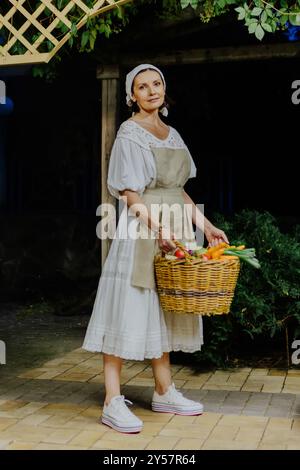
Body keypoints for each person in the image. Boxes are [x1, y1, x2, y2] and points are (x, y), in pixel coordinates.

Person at [82, 64, 229, 434]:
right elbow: (130, 194)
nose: (151, 91)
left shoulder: (172, 134)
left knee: (163, 309)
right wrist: (158, 226)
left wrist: (207, 227)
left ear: (164, 89)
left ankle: (164, 390)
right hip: (145, 227)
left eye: (157, 83)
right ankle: (112, 400)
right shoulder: (130, 133)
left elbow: (178, 190)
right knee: (128, 308)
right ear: (132, 95)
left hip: (175, 227)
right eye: (142, 86)